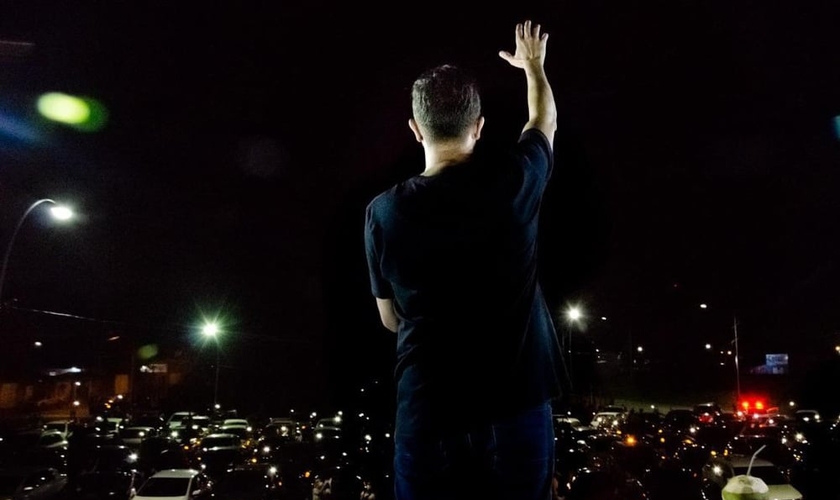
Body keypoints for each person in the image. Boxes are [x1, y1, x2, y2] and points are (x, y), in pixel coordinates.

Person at [363, 20, 564, 500]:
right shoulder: (515, 182)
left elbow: (390, 319)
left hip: (427, 411)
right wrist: (533, 68)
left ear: (415, 129)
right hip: (517, 407)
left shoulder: (382, 213)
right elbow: (544, 122)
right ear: (478, 128)